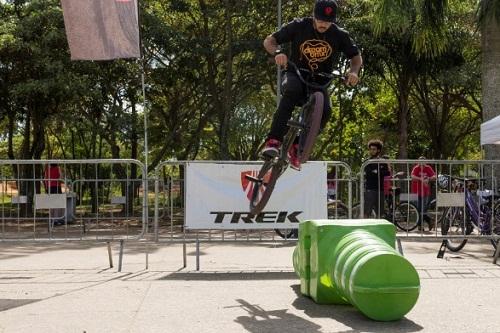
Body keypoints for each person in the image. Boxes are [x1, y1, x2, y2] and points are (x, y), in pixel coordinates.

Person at [262, 0, 362, 170]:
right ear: (314, 16)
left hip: (320, 81)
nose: (324, 25)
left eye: (328, 21)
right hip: (296, 73)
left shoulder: (339, 34)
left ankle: (297, 146)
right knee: (292, 91)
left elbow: (355, 57)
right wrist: (278, 52)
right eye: (320, 20)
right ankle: (274, 140)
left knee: (326, 111)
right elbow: (269, 41)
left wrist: (353, 72)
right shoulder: (299, 25)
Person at [363, 139, 390, 218]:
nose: (372, 151)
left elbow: (387, 173)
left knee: (380, 212)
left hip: (380, 189)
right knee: (367, 211)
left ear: (378, 150)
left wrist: (376, 172)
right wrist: (378, 172)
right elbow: (369, 174)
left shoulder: (383, 161)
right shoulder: (367, 161)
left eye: (374, 149)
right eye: (370, 149)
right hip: (370, 189)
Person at [411, 156, 436, 230]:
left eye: (423, 162)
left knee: (423, 209)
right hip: (416, 191)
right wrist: (420, 179)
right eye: (420, 162)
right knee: (418, 209)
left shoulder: (428, 168)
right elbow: (412, 176)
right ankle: (428, 222)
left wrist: (428, 178)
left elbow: (434, 176)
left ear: (425, 162)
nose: (421, 163)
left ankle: (422, 225)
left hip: (425, 191)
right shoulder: (416, 168)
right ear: (418, 162)